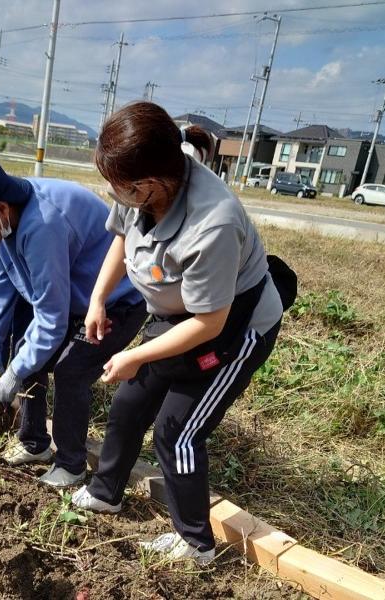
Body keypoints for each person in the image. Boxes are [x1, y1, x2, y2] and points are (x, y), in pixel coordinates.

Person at [71, 101, 284, 565]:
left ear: (149, 182)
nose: (114, 193)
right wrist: (98, 299)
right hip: (177, 318)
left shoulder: (214, 221)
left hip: (234, 328)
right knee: (129, 405)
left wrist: (137, 356)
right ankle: (106, 492)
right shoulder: (138, 188)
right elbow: (123, 239)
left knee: (178, 432)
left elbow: (210, 323)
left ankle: (196, 544)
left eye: (119, 186)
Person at [0, 153, 147, 488]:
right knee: (26, 351)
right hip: (75, 303)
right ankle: (34, 442)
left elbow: (51, 320)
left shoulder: (43, 225)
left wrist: (14, 373)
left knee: (72, 369)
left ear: (0, 210)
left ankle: (71, 464)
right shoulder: (0, 228)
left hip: (117, 303)